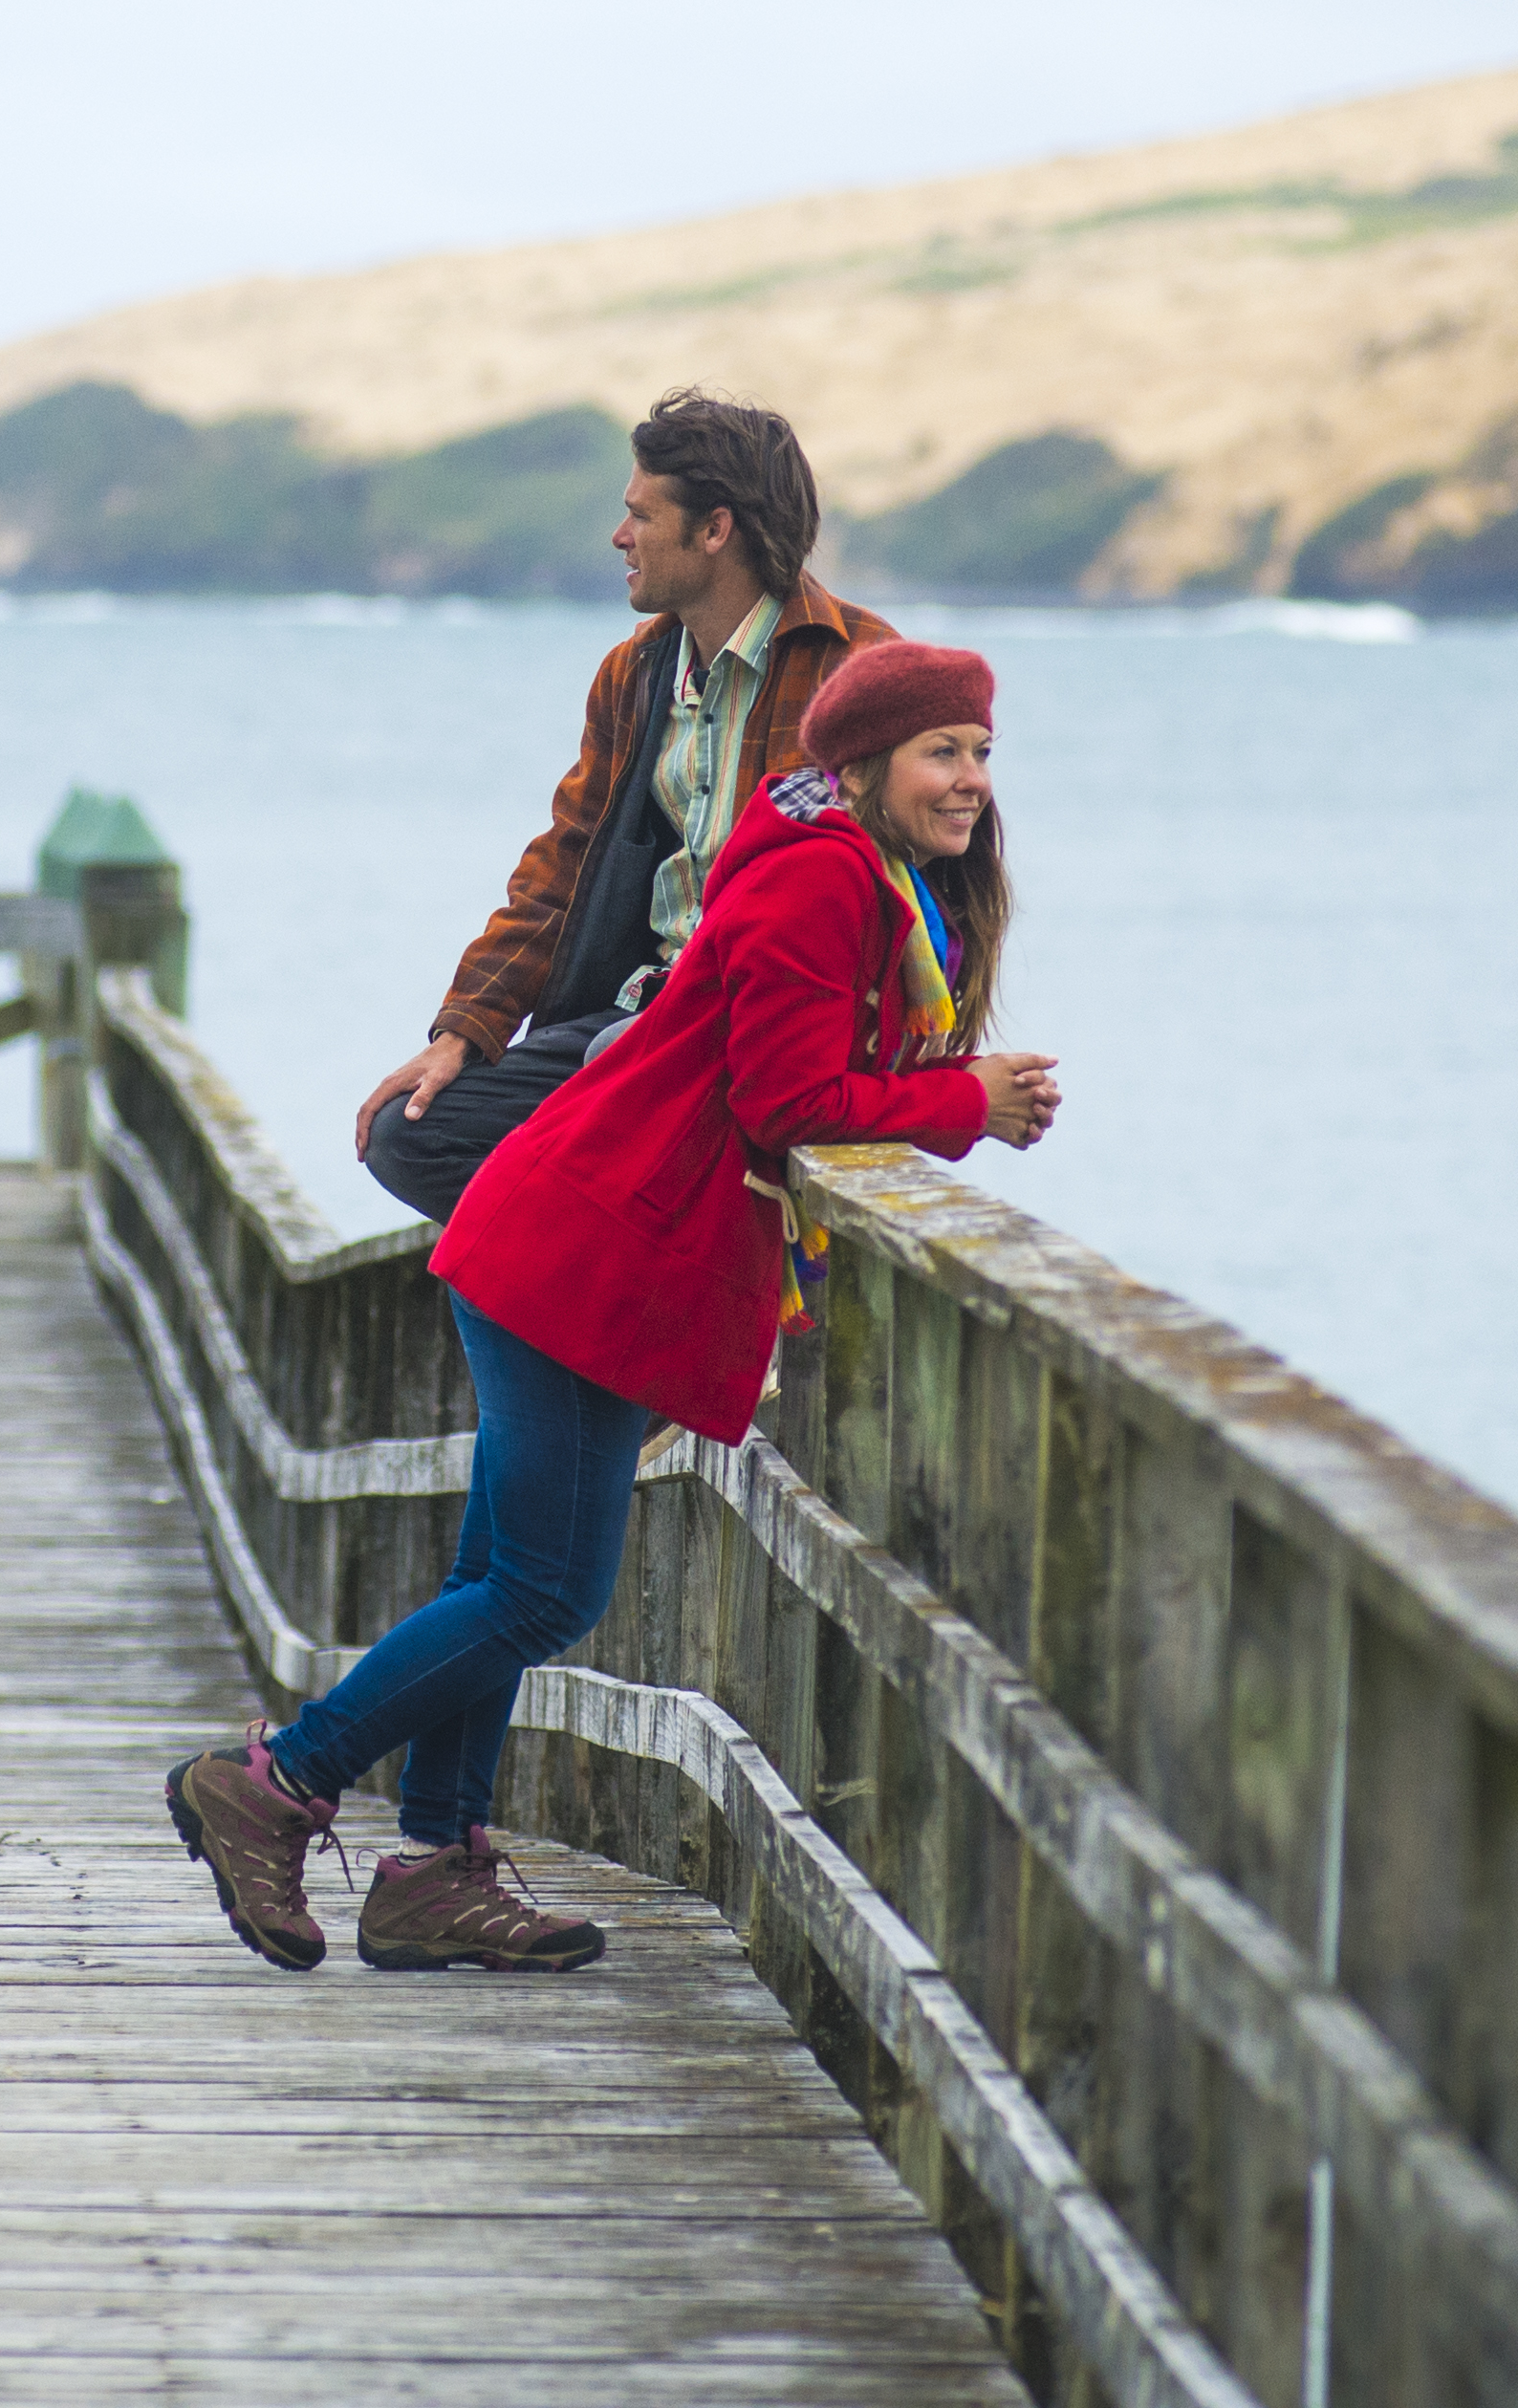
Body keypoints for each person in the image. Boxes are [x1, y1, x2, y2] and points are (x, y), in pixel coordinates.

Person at [171, 640, 1059, 1971]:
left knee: (501, 1576)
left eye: (982, 752)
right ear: (862, 768)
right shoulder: (821, 882)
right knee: (540, 1595)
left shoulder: (850, 871)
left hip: (588, 1242)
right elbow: (784, 1099)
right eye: (943, 752)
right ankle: (278, 1781)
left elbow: (789, 1080)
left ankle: (434, 1867)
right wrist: (963, 1103)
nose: (971, 780)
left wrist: (957, 1098)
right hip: (579, 1252)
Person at [353, 389, 897, 1226]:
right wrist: (463, 1031)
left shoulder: (859, 670)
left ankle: (628, 1265)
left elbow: (923, 891)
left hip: (765, 1039)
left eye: (641, 515)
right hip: (641, 1019)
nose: (620, 537)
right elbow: (564, 865)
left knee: (608, 1118)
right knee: (409, 1135)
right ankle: (631, 1257)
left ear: (715, 530)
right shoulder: (634, 673)